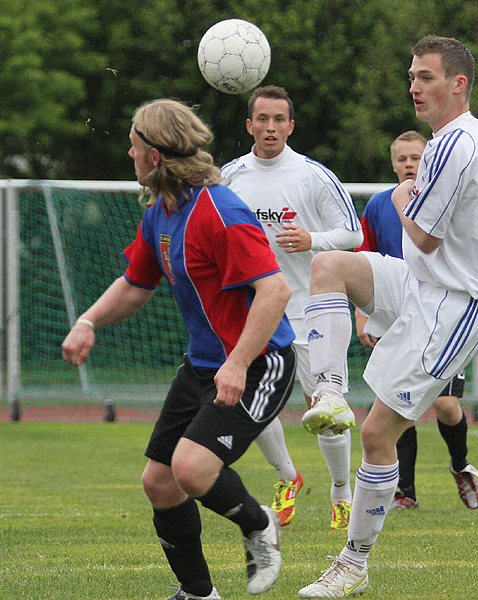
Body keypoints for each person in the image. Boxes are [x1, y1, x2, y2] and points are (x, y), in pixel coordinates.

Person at [298, 36, 478, 598]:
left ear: (459, 84)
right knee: (328, 265)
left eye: (425, 77)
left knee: (377, 434)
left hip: (457, 304)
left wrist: (403, 197)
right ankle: (327, 392)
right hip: (423, 282)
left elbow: (419, 234)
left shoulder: (452, 146)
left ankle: (353, 562)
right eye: (412, 75)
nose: (414, 86)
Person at [62, 99, 295, 600]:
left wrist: (237, 363)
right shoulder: (163, 211)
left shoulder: (220, 210)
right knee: (160, 482)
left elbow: (275, 291)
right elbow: (135, 283)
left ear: (153, 155)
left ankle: (260, 524)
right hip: (204, 367)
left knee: (191, 469)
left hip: (259, 363)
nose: (128, 152)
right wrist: (88, 321)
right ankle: (198, 593)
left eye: (133, 144)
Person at [221, 86, 362, 531]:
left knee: (323, 406)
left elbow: (353, 234)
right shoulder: (230, 176)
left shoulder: (313, 175)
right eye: (262, 119)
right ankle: (287, 477)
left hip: (310, 309)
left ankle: (342, 490)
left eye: (279, 119)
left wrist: (311, 240)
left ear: (291, 126)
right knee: (247, 400)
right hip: (255, 310)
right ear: (249, 125)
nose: (270, 127)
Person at [355, 131, 478, 512]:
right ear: (393, 163)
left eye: (416, 157)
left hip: (442, 317)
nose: (409, 164)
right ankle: (404, 492)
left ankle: (461, 465)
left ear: (427, 162)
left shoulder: (441, 203)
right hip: (396, 313)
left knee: (445, 404)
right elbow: (364, 259)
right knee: (393, 400)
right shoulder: (379, 205)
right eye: (403, 158)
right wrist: (362, 315)